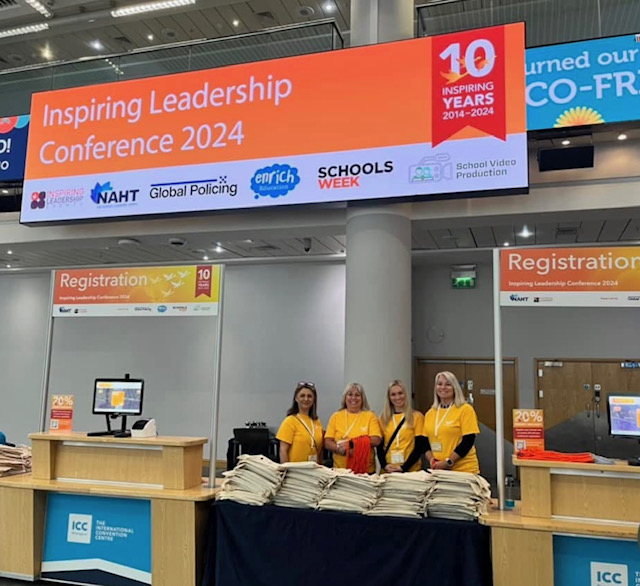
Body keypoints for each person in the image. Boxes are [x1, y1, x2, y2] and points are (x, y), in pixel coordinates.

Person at [421, 371, 480, 474]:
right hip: (438, 470)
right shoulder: (430, 413)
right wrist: (432, 461)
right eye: (440, 384)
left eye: (448, 384)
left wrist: (448, 462)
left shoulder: (465, 409)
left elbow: (468, 441)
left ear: (454, 388)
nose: (443, 387)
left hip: (463, 470)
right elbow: (424, 443)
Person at [325, 382, 382, 473]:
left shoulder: (370, 416)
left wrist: (351, 444)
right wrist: (341, 450)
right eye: (350, 394)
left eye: (357, 395)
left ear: (362, 398)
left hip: (365, 472)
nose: (353, 398)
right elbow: (327, 442)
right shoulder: (336, 416)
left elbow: (376, 440)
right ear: (345, 397)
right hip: (340, 471)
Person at [377, 380, 425, 473]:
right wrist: (384, 465)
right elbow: (379, 447)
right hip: (388, 470)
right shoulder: (383, 418)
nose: (397, 397)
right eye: (393, 394)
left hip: (410, 471)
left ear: (405, 394)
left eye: (400, 393)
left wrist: (404, 467)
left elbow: (419, 447)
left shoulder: (417, 417)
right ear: (389, 397)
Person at [276, 382, 324, 464]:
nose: (306, 399)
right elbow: (283, 450)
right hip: (295, 470)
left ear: (314, 400)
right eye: (302, 396)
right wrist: (286, 470)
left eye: (309, 396)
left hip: (314, 469)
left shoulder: (317, 422)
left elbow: (320, 450)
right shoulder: (290, 421)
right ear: (296, 398)